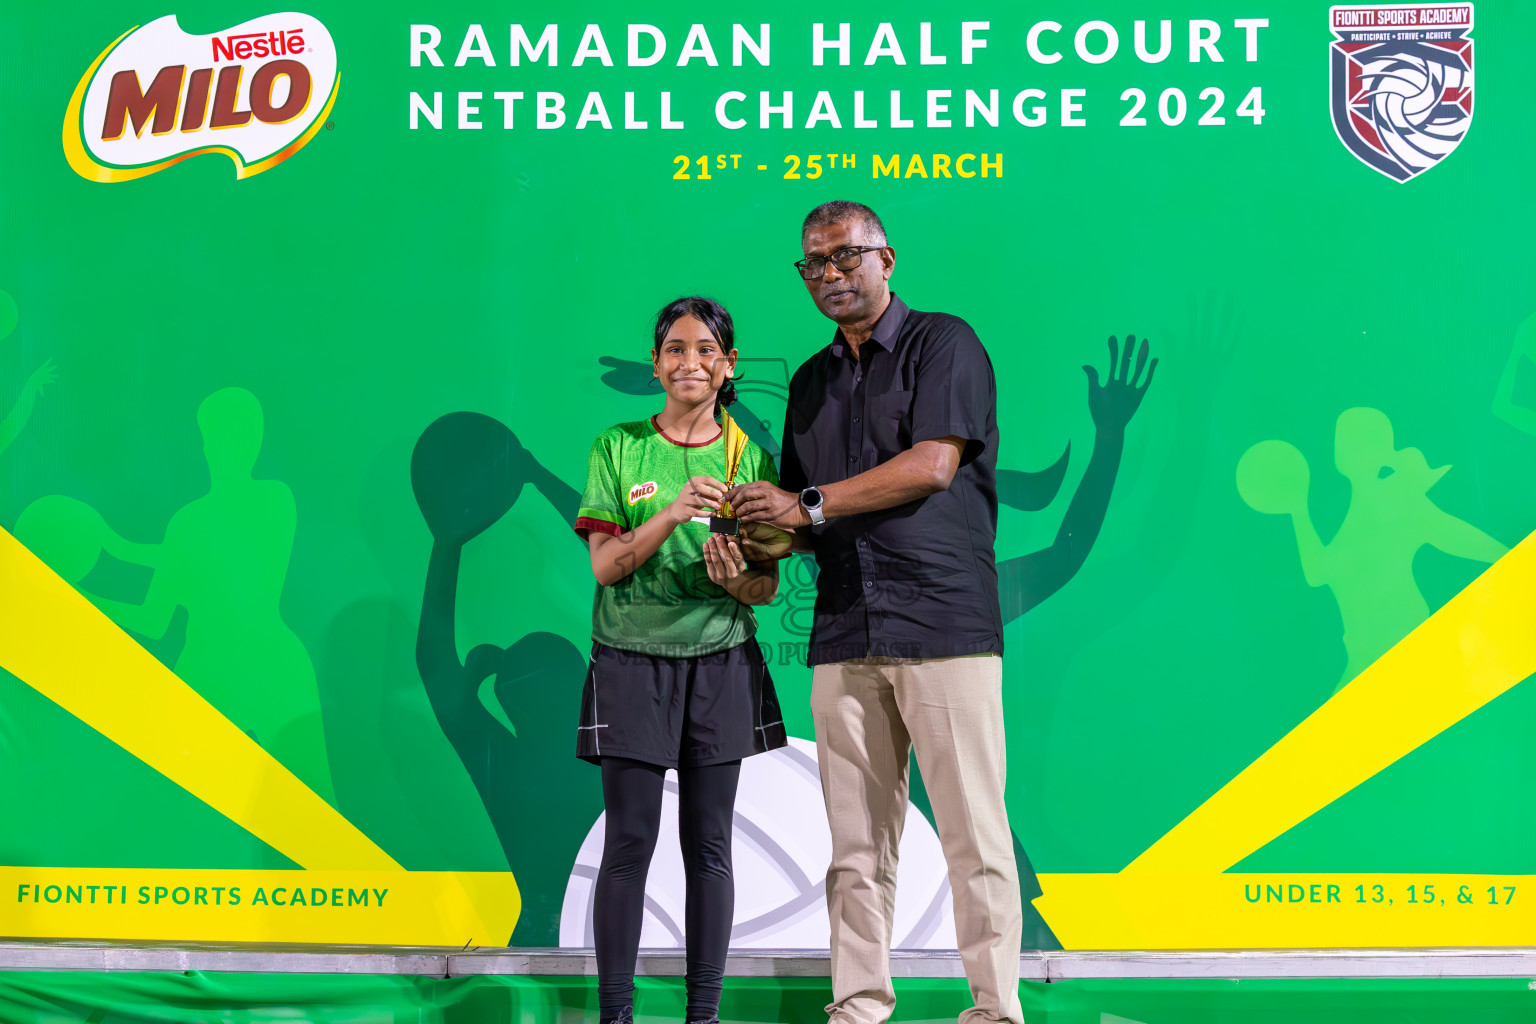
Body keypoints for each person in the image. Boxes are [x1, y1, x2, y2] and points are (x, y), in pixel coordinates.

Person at [728, 201, 1023, 1024]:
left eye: (845, 256)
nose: (830, 274)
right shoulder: (812, 382)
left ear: (886, 258)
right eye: (813, 264)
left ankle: (996, 1010)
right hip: (846, 629)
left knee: (975, 838)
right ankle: (858, 1003)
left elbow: (931, 467)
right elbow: (797, 521)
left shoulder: (945, 343)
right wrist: (747, 540)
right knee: (855, 849)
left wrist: (804, 507)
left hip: (942, 625)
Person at [573, 296, 789, 1024]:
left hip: (719, 663)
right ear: (656, 363)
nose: (688, 361)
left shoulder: (751, 459)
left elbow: (765, 586)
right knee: (629, 841)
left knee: (711, 845)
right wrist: (669, 512)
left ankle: (704, 1016)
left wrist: (738, 580)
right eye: (674, 348)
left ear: (729, 367)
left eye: (705, 350)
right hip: (631, 662)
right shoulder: (619, 447)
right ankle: (616, 1015)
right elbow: (605, 568)